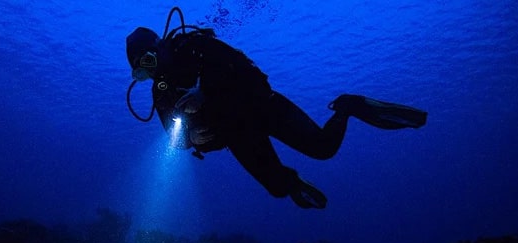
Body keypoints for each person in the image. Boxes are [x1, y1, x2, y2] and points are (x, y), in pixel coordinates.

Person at [124, 8, 427, 209]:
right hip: (237, 135)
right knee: (278, 189)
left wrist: (206, 92)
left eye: (148, 61)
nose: (150, 73)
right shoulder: (160, 93)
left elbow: (249, 71)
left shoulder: (195, 47)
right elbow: (177, 142)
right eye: (141, 72)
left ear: (158, 46)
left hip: (261, 106)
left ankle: (350, 106)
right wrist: (198, 139)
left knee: (323, 148)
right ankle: (292, 182)